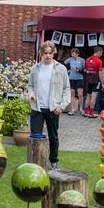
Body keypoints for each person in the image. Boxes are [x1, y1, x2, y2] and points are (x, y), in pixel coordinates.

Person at [28, 41, 71, 170]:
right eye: (45, 53)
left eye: (50, 53)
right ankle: (35, 163)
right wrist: (31, 94)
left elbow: (66, 89)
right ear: (41, 54)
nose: (47, 55)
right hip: (37, 108)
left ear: (54, 53)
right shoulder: (35, 69)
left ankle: (54, 162)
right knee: (35, 137)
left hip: (53, 108)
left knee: (53, 137)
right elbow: (30, 86)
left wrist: (62, 106)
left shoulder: (61, 68)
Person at [83, 46, 103, 118]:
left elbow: (85, 70)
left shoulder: (88, 59)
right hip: (95, 80)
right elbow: (100, 73)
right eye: (101, 53)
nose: (101, 54)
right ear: (98, 52)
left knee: (88, 96)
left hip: (88, 80)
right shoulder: (99, 61)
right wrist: (103, 83)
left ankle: (85, 112)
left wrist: (89, 72)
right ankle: (91, 113)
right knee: (93, 96)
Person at [64, 48, 85, 115]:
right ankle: (72, 109)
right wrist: (67, 70)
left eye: (74, 54)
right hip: (71, 78)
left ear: (77, 54)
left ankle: (81, 109)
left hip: (79, 78)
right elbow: (63, 64)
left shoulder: (82, 60)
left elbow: (85, 70)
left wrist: (79, 70)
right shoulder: (70, 59)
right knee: (72, 94)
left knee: (80, 95)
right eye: (71, 54)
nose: (72, 55)